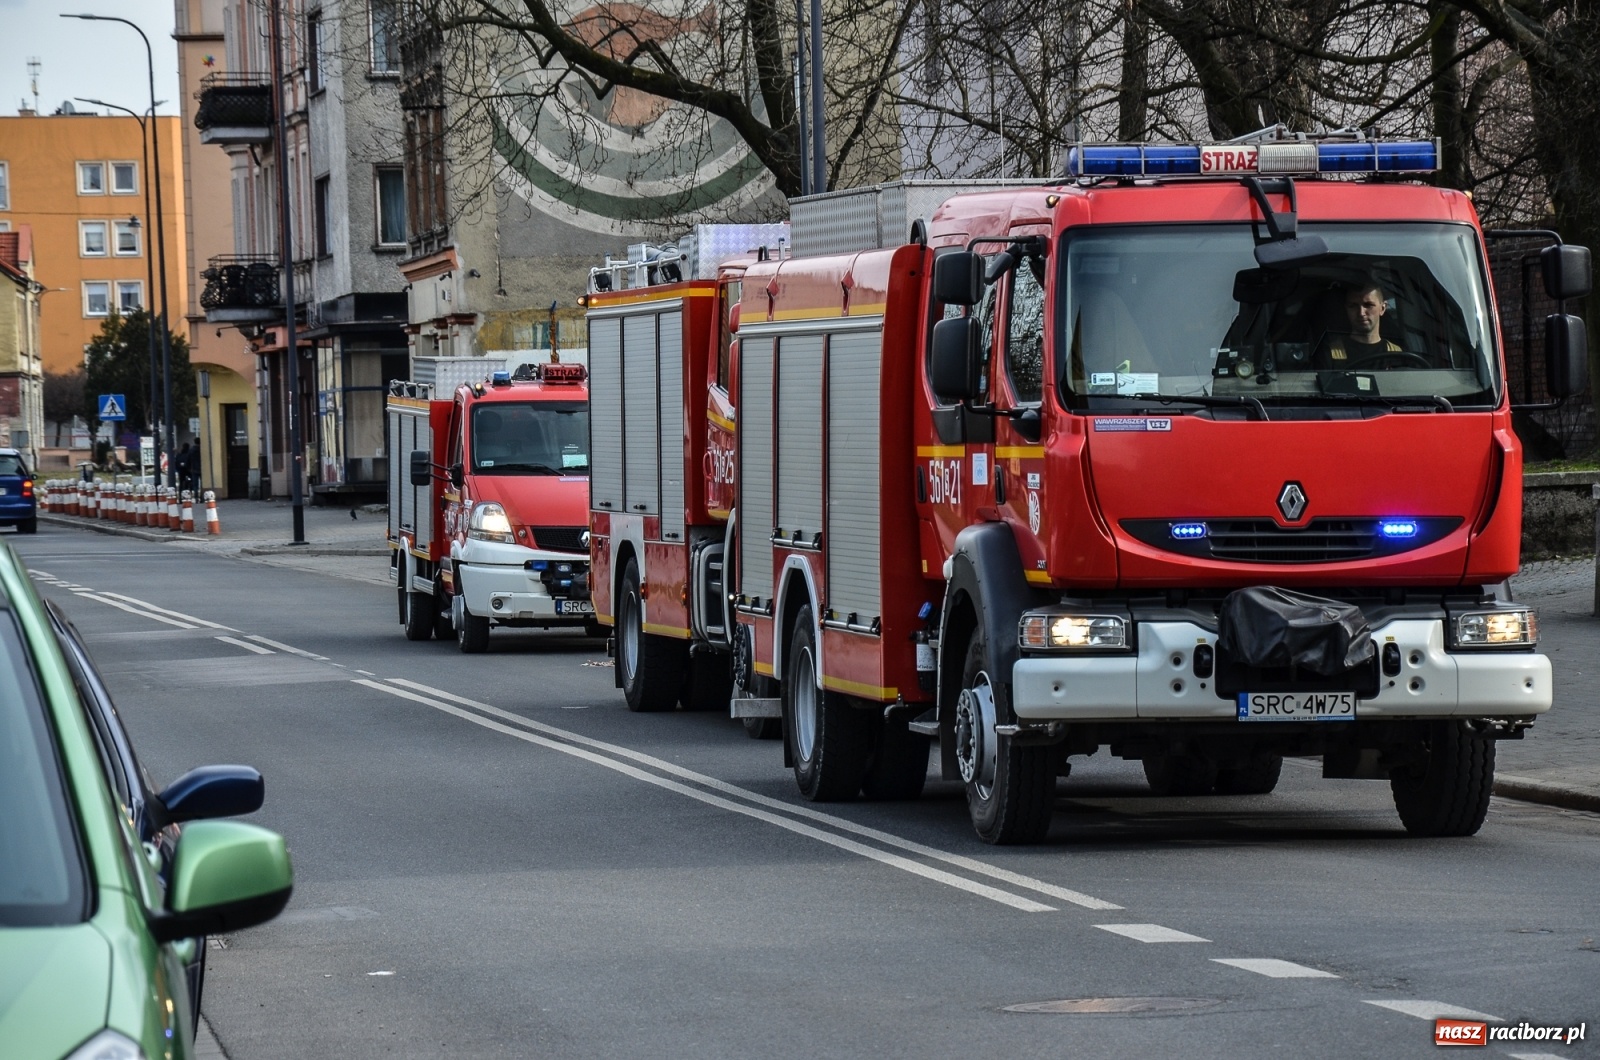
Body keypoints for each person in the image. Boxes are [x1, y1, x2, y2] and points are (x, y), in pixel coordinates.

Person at [1322, 280, 1403, 365]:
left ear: (1382, 308)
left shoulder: (1397, 354)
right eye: (1353, 306)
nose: (1361, 313)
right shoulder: (1331, 353)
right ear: (1346, 309)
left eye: (1368, 305)